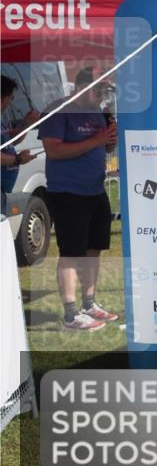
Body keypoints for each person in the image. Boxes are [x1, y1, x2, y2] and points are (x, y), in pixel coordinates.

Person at [38, 69, 118, 332]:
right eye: (98, 90)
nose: (102, 97)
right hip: (68, 193)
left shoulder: (98, 112)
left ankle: (89, 303)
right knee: (71, 252)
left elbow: (102, 146)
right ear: (82, 87)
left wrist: (108, 142)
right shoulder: (58, 110)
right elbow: (54, 149)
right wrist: (97, 139)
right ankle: (71, 314)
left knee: (94, 249)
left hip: (95, 190)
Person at [1, 76, 40, 208]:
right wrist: (17, 159)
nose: (10, 102)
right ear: (2, 98)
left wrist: (26, 124)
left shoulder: (2, 120)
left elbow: (11, 141)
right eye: (10, 98)